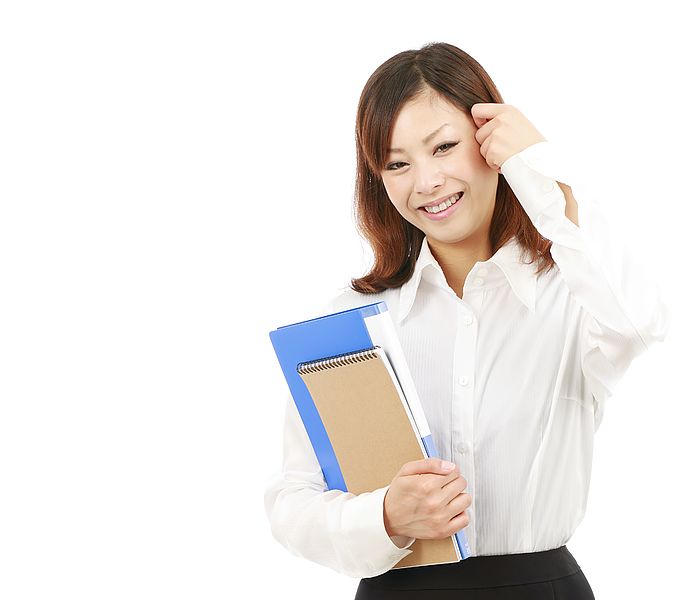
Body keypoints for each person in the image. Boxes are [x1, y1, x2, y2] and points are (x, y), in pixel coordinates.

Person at [263, 41, 670, 599]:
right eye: (397, 163)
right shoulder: (354, 319)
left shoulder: (574, 293)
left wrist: (542, 173)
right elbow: (294, 499)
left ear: (492, 146)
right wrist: (384, 516)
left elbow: (640, 323)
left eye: (445, 147)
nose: (425, 182)